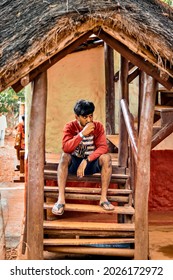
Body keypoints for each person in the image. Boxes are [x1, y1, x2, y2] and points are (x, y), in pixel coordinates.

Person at [52, 99, 114, 215]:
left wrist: (87, 160)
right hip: (75, 163)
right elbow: (66, 148)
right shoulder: (70, 127)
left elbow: (103, 147)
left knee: (106, 158)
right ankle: (60, 200)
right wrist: (81, 134)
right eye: (85, 117)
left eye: (91, 116)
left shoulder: (98, 127)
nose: (89, 120)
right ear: (77, 117)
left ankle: (104, 199)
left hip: (91, 163)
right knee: (64, 157)